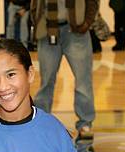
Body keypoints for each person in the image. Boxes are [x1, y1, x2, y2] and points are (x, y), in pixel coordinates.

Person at [31, 0, 98, 138]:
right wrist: (37, 22)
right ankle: (39, 123)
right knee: (46, 82)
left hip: (76, 31)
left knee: (83, 80)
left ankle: (85, 123)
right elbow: (35, 5)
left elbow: (93, 2)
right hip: (48, 31)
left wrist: (87, 23)